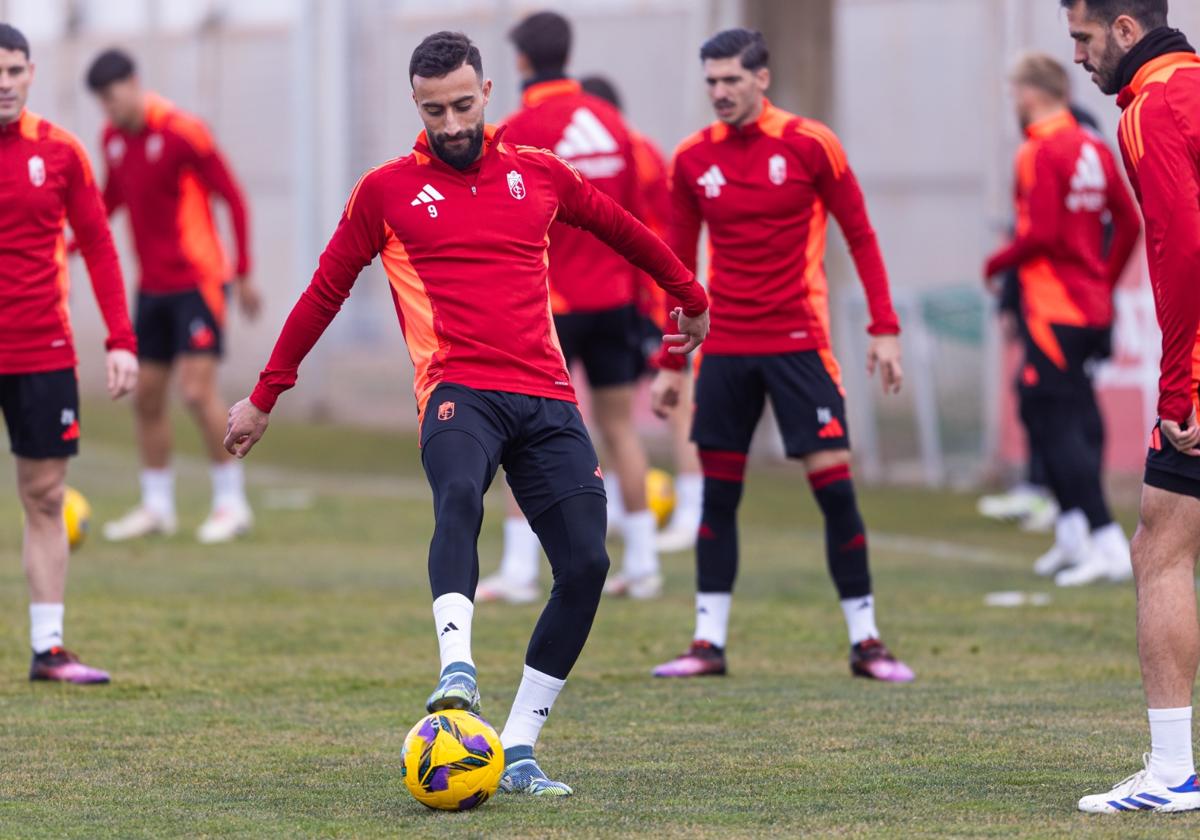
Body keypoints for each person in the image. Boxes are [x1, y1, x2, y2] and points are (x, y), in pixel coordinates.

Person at [223, 32, 709, 796]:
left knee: (586, 564)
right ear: (414, 105)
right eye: (431, 110)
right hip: (457, 388)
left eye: (460, 105)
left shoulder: (539, 176)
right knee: (457, 498)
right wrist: (264, 395)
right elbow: (325, 292)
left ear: (487, 93)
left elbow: (624, 230)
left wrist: (692, 296)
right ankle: (457, 672)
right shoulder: (384, 191)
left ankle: (516, 746)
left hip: (546, 395)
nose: (449, 124)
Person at [649, 28, 913, 682]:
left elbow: (861, 234)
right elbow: (677, 266)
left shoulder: (808, 143)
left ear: (761, 79)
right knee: (719, 497)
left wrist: (885, 327)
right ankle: (707, 644)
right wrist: (671, 362)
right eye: (711, 81)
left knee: (835, 488)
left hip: (800, 342)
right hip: (727, 348)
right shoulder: (690, 160)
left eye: (732, 80)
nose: (720, 92)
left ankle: (867, 640)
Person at [1062, 0, 1200, 813]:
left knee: (1161, 549)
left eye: (1082, 37)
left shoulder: (1153, 106)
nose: (1078, 56)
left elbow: (1184, 244)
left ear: (1123, 29)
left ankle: (1175, 770)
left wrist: (1180, 386)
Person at [479, 11, 663, 604]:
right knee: (619, 429)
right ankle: (644, 563)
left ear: (523, 63)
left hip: (548, 306)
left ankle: (519, 572)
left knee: (521, 436)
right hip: (615, 302)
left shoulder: (517, 129)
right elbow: (639, 220)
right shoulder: (614, 125)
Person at [0, 24, 138, 683]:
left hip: (40, 350)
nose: (5, 81)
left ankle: (48, 648)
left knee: (46, 494)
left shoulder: (60, 152)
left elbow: (100, 245)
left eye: (16, 70)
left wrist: (121, 340)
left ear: (31, 74)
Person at [85, 49, 259, 545]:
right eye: (102, 102)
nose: (110, 109)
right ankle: (158, 506)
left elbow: (233, 196)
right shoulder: (113, 139)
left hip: (199, 282)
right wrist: (69, 238)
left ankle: (232, 502)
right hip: (153, 288)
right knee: (146, 396)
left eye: (113, 97)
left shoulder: (183, 131)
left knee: (196, 390)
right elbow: (110, 199)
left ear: (134, 83)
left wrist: (243, 271)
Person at [982, 51, 1140, 587]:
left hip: (1054, 306)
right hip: (1089, 304)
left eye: (1014, 93)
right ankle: (1075, 532)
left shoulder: (1041, 147)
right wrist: (1104, 276)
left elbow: (1042, 234)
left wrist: (996, 262)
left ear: (1030, 93)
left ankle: (1105, 539)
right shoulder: (1093, 143)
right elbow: (1128, 221)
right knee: (1051, 406)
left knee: (1058, 418)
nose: (1013, 104)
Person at [579, 73, 705, 555]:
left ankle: (694, 508)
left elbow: (666, 228)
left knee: (675, 397)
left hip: (654, 300)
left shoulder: (639, 153)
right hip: (614, 301)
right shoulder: (604, 156)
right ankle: (617, 501)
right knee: (612, 407)